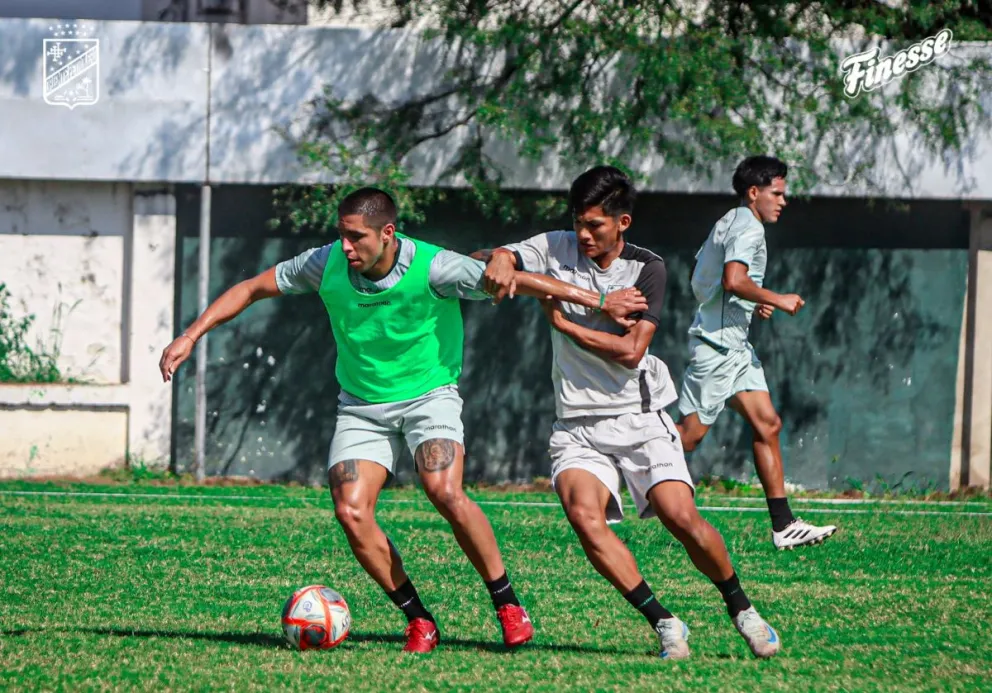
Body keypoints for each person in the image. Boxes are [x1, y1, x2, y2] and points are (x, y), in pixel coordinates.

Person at [159, 187, 648, 654]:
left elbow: (517, 282)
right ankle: (418, 619)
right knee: (351, 511)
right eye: (342, 235)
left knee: (444, 490)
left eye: (356, 237)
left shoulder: (434, 267)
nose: (346, 247)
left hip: (429, 398)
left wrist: (600, 301)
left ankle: (506, 603)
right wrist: (190, 335)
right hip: (361, 406)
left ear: (387, 233)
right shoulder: (325, 263)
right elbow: (251, 288)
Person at [480, 166, 781, 660]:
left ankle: (741, 608)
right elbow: (496, 263)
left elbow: (630, 351)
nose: (583, 234)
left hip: (638, 417)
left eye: (594, 225)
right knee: (584, 517)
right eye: (578, 222)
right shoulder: (556, 246)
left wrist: (565, 324)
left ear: (622, 222)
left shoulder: (647, 268)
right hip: (576, 425)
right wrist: (504, 257)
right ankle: (664, 621)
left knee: (680, 517)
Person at [675, 155, 837, 550]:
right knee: (688, 438)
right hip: (716, 349)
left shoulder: (730, 220)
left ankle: (784, 525)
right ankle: (608, 465)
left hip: (736, 349)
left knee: (768, 424)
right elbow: (733, 279)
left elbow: (707, 279)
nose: (783, 201)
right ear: (753, 192)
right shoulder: (749, 227)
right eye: (776, 193)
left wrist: (755, 301)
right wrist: (777, 299)